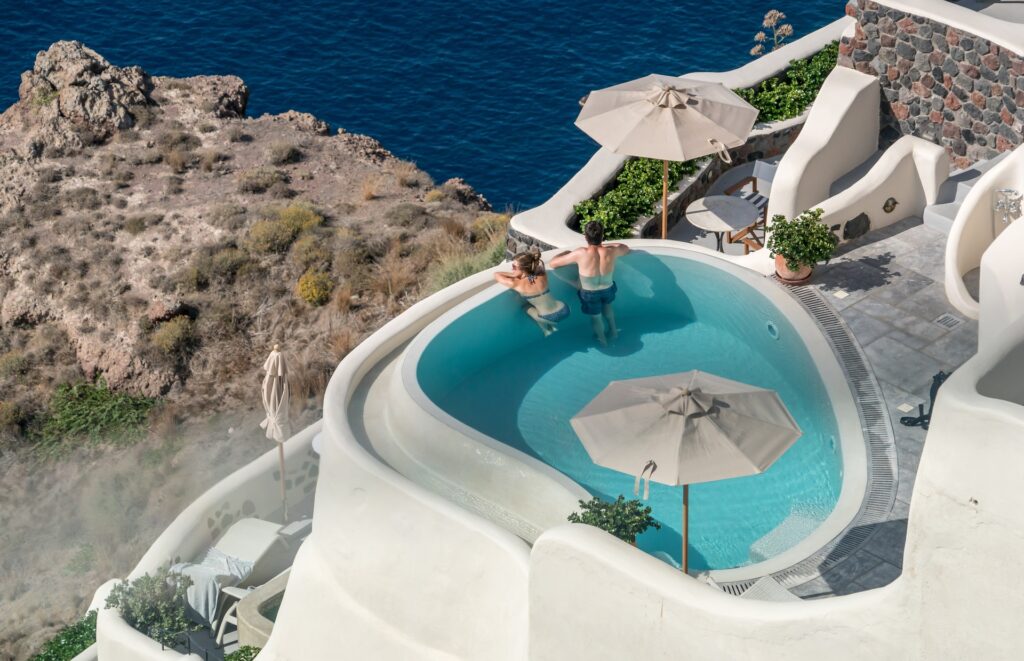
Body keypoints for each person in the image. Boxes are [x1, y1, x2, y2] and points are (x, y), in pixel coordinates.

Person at [549, 222, 630, 346]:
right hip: (608, 288)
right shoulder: (611, 251)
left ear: (585, 237)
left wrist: (564, 253)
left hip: (590, 293)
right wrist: (603, 245)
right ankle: (614, 332)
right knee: (607, 306)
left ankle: (602, 340)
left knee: (596, 317)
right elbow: (625, 248)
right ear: (602, 235)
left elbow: (553, 264)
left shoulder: (580, 253)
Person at [494, 250, 570, 336]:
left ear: (522, 269)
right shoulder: (542, 273)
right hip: (564, 309)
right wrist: (520, 272)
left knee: (525, 307)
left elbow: (496, 274)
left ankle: (546, 330)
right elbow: (532, 274)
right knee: (541, 307)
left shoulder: (516, 283)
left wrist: (513, 275)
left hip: (548, 317)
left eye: (514, 267)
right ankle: (548, 329)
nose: (512, 269)